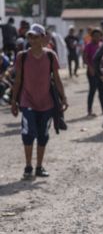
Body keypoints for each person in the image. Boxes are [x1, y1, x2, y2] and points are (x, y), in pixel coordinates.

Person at [10, 24, 68, 179]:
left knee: (43, 135)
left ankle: (39, 167)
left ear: (43, 38)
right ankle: (28, 166)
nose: (32, 40)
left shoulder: (50, 55)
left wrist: (64, 97)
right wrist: (14, 101)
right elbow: (18, 80)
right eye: (30, 36)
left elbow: (56, 78)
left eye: (35, 37)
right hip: (27, 101)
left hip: (47, 103)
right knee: (28, 133)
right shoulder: (22, 56)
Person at [83, 28, 103, 116]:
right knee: (92, 90)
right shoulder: (88, 46)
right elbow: (85, 58)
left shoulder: (102, 45)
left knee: (102, 91)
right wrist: (90, 67)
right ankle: (89, 110)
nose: (96, 38)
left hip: (101, 71)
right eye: (95, 36)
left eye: (98, 36)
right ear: (92, 36)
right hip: (92, 71)